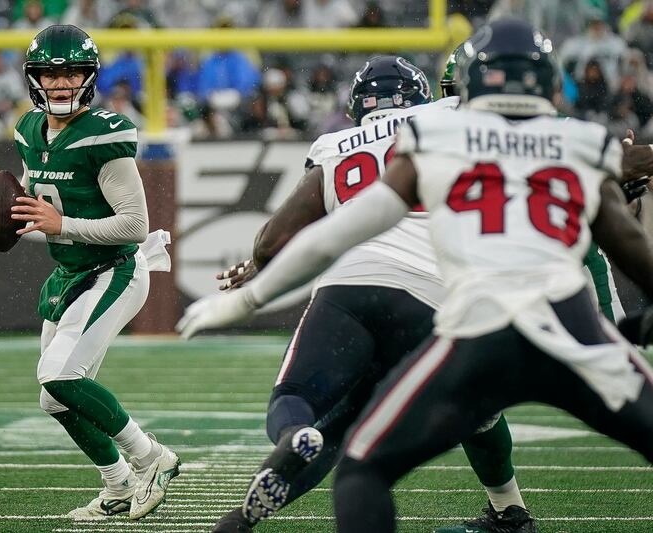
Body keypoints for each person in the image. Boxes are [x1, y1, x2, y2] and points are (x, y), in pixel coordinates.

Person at [178, 18, 653, 533]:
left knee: (360, 465)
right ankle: (508, 509)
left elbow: (341, 228)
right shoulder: (577, 139)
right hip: (560, 324)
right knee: (486, 421)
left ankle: (243, 513)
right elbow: (626, 238)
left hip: (470, 325)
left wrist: (251, 294)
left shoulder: (432, 135)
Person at [210, 56, 537, 533]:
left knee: (305, 407)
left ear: (356, 106)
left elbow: (272, 241)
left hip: (349, 286)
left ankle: (265, 481)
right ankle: (508, 508)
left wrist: (259, 266)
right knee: (480, 410)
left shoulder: (335, 143)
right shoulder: (449, 116)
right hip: (434, 293)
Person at [0, 24, 179, 521]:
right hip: (71, 272)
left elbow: (135, 225)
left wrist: (61, 223)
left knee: (60, 375)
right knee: (54, 398)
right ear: (33, 78)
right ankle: (117, 484)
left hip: (116, 269)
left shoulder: (104, 134)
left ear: (89, 78)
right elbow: (30, 208)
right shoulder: (28, 130)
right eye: (50, 74)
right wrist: (3, 211)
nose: (61, 84)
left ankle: (152, 458)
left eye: (72, 74)